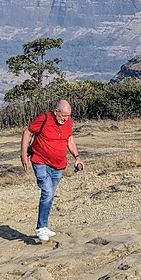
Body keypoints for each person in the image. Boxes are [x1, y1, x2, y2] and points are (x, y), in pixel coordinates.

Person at [20, 99, 84, 241]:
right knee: (47, 192)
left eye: (68, 116)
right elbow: (27, 132)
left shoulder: (67, 121)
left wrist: (77, 157)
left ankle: (44, 225)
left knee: (50, 195)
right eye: (63, 116)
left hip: (59, 165)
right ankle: (41, 227)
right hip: (40, 161)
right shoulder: (43, 119)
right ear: (55, 112)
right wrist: (24, 154)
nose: (65, 119)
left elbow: (69, 139)